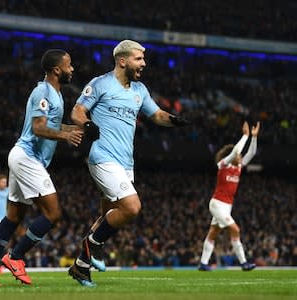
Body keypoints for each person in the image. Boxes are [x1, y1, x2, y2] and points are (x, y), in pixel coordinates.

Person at [69, 40, 191, 287]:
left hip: (126, 163)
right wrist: (88, 124)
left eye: (144, 59)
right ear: (122, 61)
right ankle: (91, 244)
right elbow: (77, 111)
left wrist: (175, 120)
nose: (143, 64)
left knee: (108, 215)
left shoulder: (140, 90)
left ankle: (81, 266)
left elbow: (156, 115)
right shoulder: (101, 83)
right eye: (139, 59)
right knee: (132, 207)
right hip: (103, 156)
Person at [0, 49, 83, 288]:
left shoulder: (56, 93)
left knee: (14, 216)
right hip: (27, 157)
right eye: (69, 65)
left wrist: (74, 129)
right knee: (53, 213)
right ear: (57, 69)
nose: (72, 69)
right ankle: (16, 257)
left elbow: (52, 123)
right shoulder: (42, 92)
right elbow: (38, 128)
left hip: (25, 158)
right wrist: (65, 136)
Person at [198, 121, 260, 271]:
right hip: (217, 204)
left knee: (213, 233)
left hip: (227, 207)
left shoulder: (238, 168)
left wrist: (253, 137)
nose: (240, 156)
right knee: (235, 229)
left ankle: (203, 264)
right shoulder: (223, 165)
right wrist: (244, 136)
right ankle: (244, 263)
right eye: (238, 155)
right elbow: (234, 152)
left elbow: (251, 153)